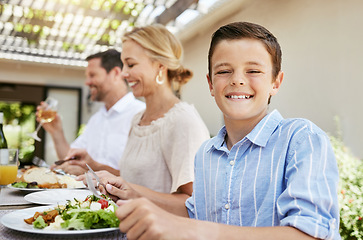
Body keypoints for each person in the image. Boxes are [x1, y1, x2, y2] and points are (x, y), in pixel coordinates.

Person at [112, 22, 341, 240]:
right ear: (211, 84)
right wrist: (132, 193)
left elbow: (313, 234)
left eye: (253, 70)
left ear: (276, 82)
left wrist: (197, 231)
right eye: (224, 71)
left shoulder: (301, 139)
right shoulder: (206, 154)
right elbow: (194, 214)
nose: (237, 80)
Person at [76, 24, 210, 214]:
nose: (123, 73)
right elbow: (138, 180)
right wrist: (100, 171)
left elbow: (194, 204)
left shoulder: (182, 122)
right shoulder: (138, 119)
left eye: (131, 64)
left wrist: (134, 193)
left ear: (160, 66)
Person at [38, 49, 145, 176]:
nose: (87, 82)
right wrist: (56, 132)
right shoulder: (97, 119)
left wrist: (91, 170)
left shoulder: (141, 115)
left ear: (116, 73)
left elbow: (142, 179)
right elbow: (69, 159)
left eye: (92, 75)